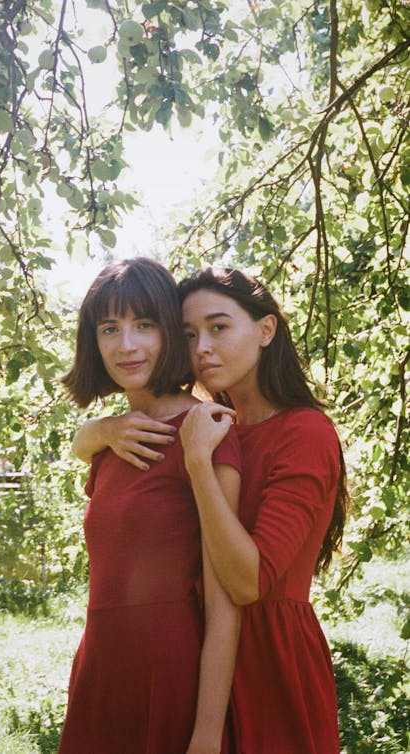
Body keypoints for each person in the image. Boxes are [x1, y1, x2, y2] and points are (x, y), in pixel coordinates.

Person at [73, 265, 349, 754]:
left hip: (268, 656)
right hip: (197, 651)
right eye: (188, 333)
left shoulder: (301, 434)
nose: (202, 347)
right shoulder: (218, 422)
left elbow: (246, 584)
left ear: (266, 330)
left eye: (219, 328)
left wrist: (198, 460)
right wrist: (97, 430)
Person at [57, 258, 242, 754]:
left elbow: (225, 606)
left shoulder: (207, 430)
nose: (126, 345)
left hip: (171, 676)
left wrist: (206, 732)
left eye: (144, 325)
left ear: (170, 332)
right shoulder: (111, 439)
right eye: (109, 328)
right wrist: (96, 432)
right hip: (100, 668)